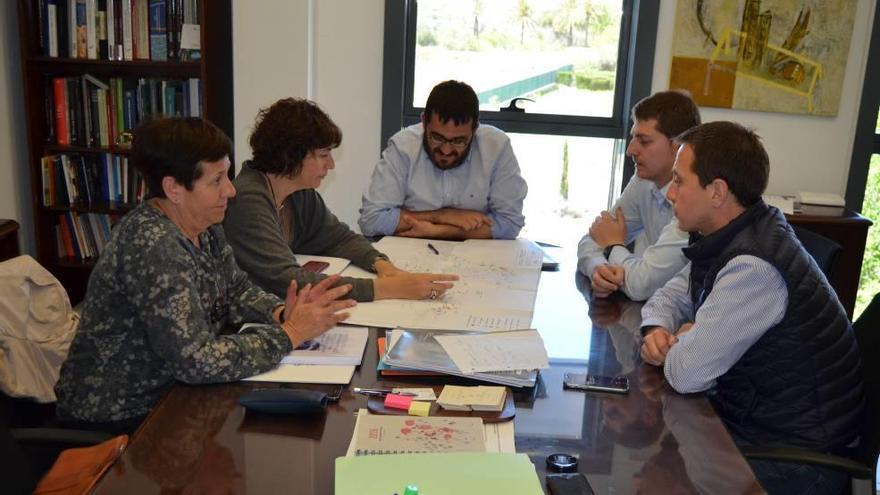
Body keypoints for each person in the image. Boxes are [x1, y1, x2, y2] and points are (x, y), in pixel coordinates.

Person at [54, 117, 356, 433]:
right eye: (217, 180)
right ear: (173, 188)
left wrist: (280, 312)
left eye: (227, 176)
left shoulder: (204, 225)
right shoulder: (155, 245)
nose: (230, 190)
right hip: (121, 416)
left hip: (172, 395)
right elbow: (195, 360)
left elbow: (236, 289)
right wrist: (289, 334)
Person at [640, 121, 864, 494]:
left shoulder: (755, 266)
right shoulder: (729, 234)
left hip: (792, 458)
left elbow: (686, 374)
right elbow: (668, 296)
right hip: (753, 424)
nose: (670, 193)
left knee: (658, 472)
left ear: (717, 192)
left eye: (679, 181)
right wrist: (657, 330)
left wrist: (680, 346)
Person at [223, 98, 457, 303]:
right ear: (291, 155)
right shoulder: (246, 202)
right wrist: (387, 288)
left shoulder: (298, 194)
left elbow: (338, 238)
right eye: (324, 155)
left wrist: (382, 266)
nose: (331, 165)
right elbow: (289, 281)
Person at [358, 80, 527, 240]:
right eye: (437, 138)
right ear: (424, 122)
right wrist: (442, 215)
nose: (446, 151)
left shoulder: (496, 147)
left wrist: (440, 231)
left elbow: (510, 223)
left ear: (475, 129)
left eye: (459, 141)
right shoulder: (403, 147)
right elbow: (371, 220)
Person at [577, 90, 700, 301]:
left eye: (643, 141)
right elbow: (593, 238)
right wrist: (598, 269)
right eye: (633, 138)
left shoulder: (695, 199)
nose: (630, 150)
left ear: (677, 146)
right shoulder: (643, 182)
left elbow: (642, 284)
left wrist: (613, 246)